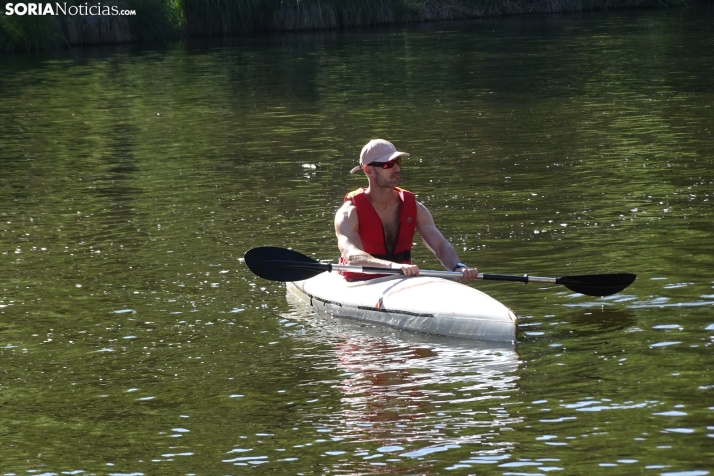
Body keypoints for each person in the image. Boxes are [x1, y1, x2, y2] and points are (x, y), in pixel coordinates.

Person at [335, 139, 479, 282]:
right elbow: (351, 255)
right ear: (368, 170)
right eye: (388, 164)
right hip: (359, 283)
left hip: (401, 280)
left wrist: (457, 266)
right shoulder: (349, 213)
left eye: (397, 161)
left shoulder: (413, 207)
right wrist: (392, 266)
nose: (396, 168)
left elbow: (440, 246)